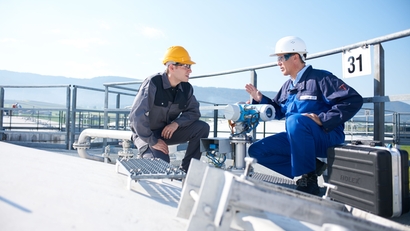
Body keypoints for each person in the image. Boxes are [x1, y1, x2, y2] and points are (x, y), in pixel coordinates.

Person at [245, 36, 363, 195]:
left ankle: (308, 178)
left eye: (281, 58)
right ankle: (312, 166)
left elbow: (352, 100)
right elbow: (278, 111)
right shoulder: (288, 86)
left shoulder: (321, 78)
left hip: (326, 137)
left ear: (295, 57)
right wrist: (261, 100)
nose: (278, 62)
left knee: (295, 121)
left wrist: (323, 119)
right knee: (256, 151)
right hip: (298, 139)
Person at [129, 46, 210, 173]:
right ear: (172, 67)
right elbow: (136, 116)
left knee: (202, 128)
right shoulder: (153, 83)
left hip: (166, 132)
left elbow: (194, 112)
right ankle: (148, 153)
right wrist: (153, 141)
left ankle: (186, 171)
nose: (190, 71)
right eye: (186, 66)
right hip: (145, 135)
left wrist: (176, 124)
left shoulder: (186, 88)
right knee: (159, 168)